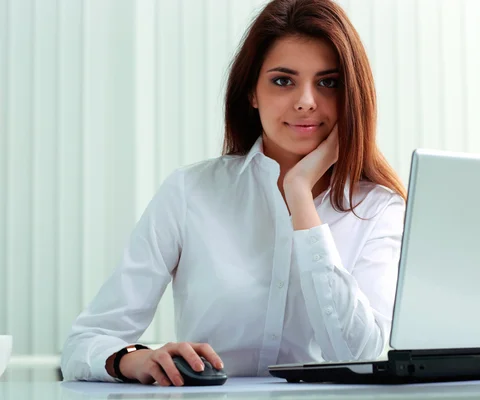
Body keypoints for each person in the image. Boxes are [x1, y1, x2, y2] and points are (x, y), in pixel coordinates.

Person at [60, 0, 407, 386]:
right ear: (251, 94)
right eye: (282, 80)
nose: (306, 101)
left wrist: (299, 196)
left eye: (328, 82)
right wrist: (135, 359)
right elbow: (85, 343)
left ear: (351, 95)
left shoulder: (380, 209)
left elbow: (359, 357)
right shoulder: (191, 192)